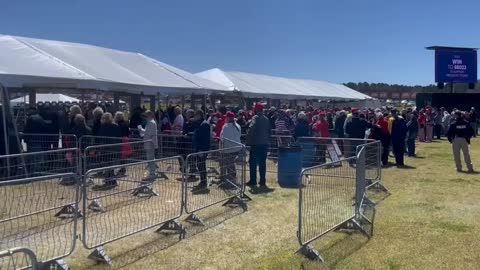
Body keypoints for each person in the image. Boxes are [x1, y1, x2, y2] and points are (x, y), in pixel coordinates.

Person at [246, 103, 271, 189]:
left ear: (256, 110)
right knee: (262, 163)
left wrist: (248, 139)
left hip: (256, 144)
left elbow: (251, 129)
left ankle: (253, 181)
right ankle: (262, 181)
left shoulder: (255, 118)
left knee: (253, 163)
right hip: (264, 144)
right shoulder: (266, 119)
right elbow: (269, 131)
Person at [220, 112, 242, 187]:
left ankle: (230, 181)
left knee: (229, 165)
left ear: (228, 118)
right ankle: (231, 179)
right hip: (236, 148)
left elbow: (222, 138)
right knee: (231, 164)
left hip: (228, 148)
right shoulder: (237, 125)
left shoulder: (225, 126)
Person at [191, 110, 211, 193]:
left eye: (195, 115)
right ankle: (202, 181)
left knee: (201, 165)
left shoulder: (205, 124)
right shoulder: (200, 124)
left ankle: (204, 182)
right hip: (198, 149)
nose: (194, 117)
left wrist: (201, 150)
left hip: (202, 149)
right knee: (200, 165)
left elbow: (205, 138)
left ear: (199, 115)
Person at [138, 111, 159, 181]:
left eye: (146, 116)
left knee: (150, 158)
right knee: (150, 157)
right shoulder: (151, 122)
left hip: (150, 142)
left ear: (149, 115)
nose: (145, 118)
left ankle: (152, 173)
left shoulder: (151, 122)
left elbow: (148, 133)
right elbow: (148, 132)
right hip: (149, 142)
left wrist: (141, 130)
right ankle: (152, 172)